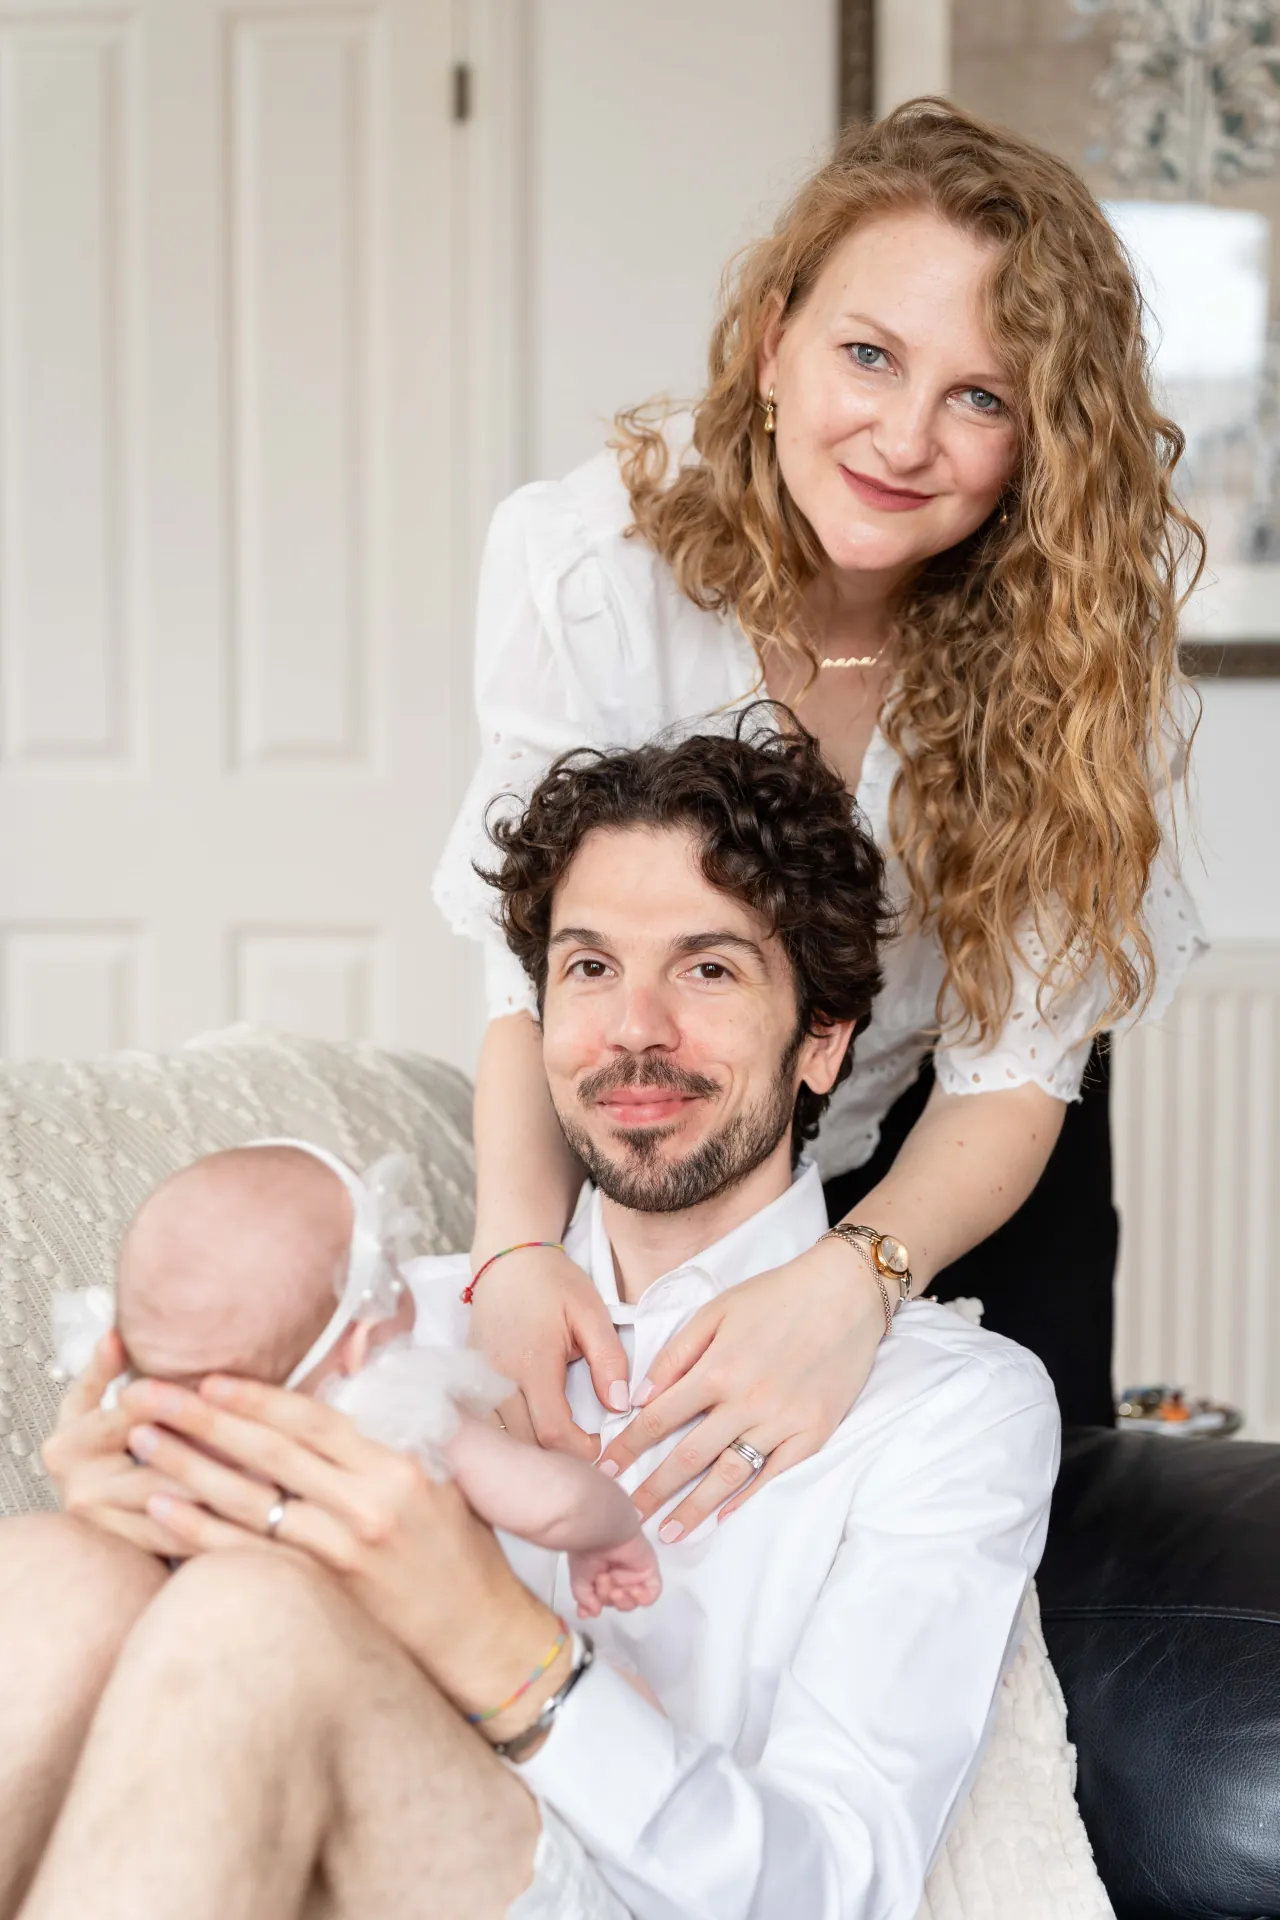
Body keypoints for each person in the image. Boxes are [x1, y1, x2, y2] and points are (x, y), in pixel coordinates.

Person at [0, 721, 1059, 1920]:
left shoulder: (949, 1406)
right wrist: (155, 1521)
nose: (633, 1030)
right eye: (589, 969)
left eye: (708, 969)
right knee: (61, 1567)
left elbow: (838, 1888)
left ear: (821, 1040)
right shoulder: (391, 1314)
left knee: (261, 1624)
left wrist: (505, 1650)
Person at [432, 97, 1205, 1509]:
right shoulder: (589, 565)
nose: (905, 438)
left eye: (982, 397)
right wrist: (518, 1254)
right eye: (869, 354)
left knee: (1013, 1538)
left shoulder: (1077, 645)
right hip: (691, 1115)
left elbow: (1014, 1069)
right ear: (774, 339)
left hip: (957, 1137)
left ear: (1040, 443)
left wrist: (858, 1274)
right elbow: (533, 969)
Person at [50, 1140, 659, 1617]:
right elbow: (553, 1504)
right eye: (395, 1268)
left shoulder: (138, 1449)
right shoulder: (383, 1415)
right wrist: (613, 1534)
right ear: (366, 1343)